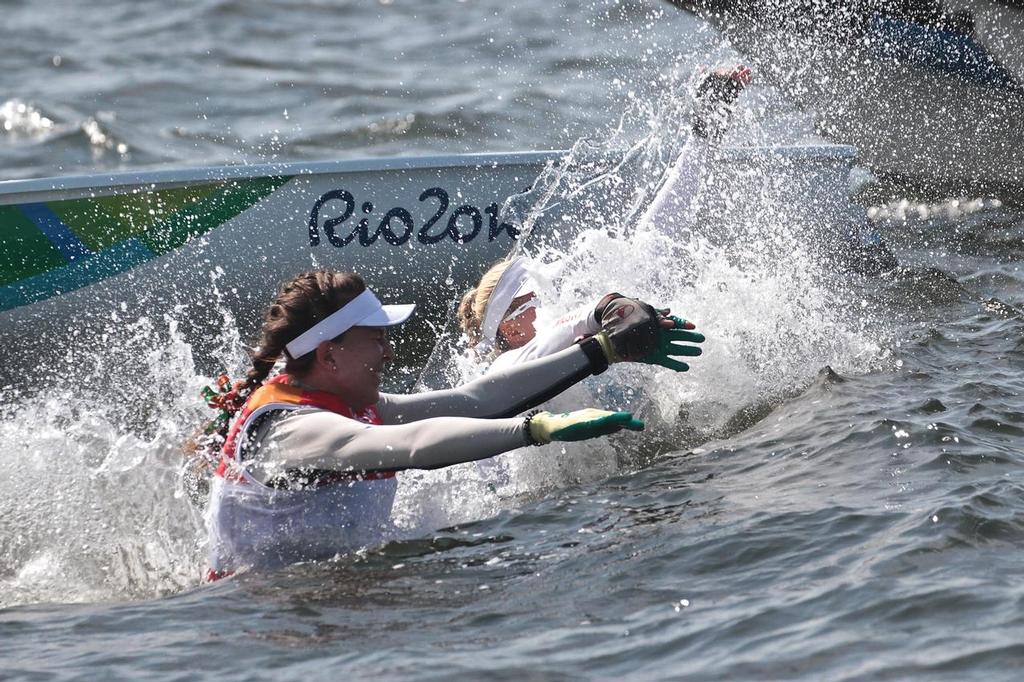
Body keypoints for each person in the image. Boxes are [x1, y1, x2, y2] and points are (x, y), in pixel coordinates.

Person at [200, 270, 704, 579]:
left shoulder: (343, 398)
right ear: (330, 355)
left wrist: (604, 350)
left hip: (322, 595)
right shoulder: (290, 431)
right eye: (376, 339)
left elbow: (474, 400)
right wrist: (536, 430)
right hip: (267, 616)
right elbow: (415, 443)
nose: (388, 351)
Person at [457, 65, 752, 372]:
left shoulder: (571, 335)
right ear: (511, 329)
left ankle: (705, 131)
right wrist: (601, 310)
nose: (550, 294)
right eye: (534, 299)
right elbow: (557, 334)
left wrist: (703, 137)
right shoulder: (507, 370)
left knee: (651, 252)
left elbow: (660, 232)